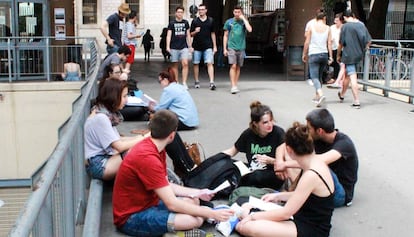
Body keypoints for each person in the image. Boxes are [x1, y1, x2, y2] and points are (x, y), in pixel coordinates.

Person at [112, 110, 234, 237]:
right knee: (194, 219)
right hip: (131, 217)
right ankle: (173, 232)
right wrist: (212, 214)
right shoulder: (148, 158)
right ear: (172, 135)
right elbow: (172, 203)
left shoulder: (155, 147)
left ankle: (173, 229)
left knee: (194, 201)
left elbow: (166, 184)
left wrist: (197, 192)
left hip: (148, 203)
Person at [236, 122, 334, 237]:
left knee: (246, 226)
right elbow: (304, 195)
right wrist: (277, 196)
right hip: (303, 216)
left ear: (289, 150)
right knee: (245, 206)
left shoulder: (311, 175)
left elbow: (285, 213)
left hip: (311, 228)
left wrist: (252, 217)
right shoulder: (315, 162)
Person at [276, 109, 358, 207]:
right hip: (319, 184)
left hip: (339, 194)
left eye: (309, 128)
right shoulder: (317, 137)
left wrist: (285, 164)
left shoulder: (344, 143)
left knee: (315, 163)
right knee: (293, 148)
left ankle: (296, 196)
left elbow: (316, 162)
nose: (307, 130)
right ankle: (295, 193)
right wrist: (279, 162)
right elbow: (284, 146)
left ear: (319, 131)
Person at [84, 78, 147, 180]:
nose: (127, 100)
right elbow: (120, 146)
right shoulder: (101, 118)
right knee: (138, 151)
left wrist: (142, 137)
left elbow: (118, 139)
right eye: (124, 96)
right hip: (99, 165)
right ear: (113, 96)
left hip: (103, 160)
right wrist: (144, 138)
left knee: (142, 147)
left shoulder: (103, 112)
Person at [222, 101, 284, 190]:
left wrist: (271, 161)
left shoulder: (278, 133)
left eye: (271, 120)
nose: (270, 125)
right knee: (228, 164)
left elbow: (287, 162)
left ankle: (234, 185)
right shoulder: (248, 134)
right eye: (265, 122)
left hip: (272, 173)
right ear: (255, 123)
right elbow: (232, 151)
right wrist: (216, 160)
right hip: (252, 170)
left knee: (256, 175)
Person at [337, 10, 372, 109]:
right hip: (359, 54)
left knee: (352, 77)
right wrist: (364, 49)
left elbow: (341, 43)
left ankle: (356, 101)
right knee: (347, 75)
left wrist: (338, 55)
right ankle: (342, 94)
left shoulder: (345, 27)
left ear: (344, 17)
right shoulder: (361, 25)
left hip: (349, 55)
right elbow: (369, 41)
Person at [302, 10, 333, 107]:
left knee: (314, 77)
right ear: (324, 18)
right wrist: (331, 56)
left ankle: (321, 94)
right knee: (319, 76)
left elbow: (307, 42)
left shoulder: (311, 27)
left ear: (316, 18)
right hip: (324, 54)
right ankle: (317, 97)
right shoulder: (328, 28)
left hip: (314, 54)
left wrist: (304, 54)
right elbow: (329, 43)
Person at [223, 5, 252, 94]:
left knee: (238, 66)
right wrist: (225, 48)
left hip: (241, 47)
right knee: (233, 65)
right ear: (233, 12)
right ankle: (233, 85)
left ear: (241, 12)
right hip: (231, 46)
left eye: (239, 12)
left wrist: (244, 19)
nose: (237, 14)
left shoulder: (243, 22)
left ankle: (235, 84)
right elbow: (225, 35)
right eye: (235, 12)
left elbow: (250, 30)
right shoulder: (229, 22)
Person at [190, 4, 217, 90]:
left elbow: (213, 33)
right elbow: (190, 34)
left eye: (202, 9)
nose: (201, 11)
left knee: (209, 63)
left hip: (208, 45)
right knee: (196, 63)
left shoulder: (210, 20)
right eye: (199, 10)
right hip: (197, 46)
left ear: (206, 10)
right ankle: (197, 81)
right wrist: (195, 31)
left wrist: (215, 46)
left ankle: (212, 82)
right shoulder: (195, 21)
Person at [167, 6, 191, 89]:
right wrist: (167, 46)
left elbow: (188, 34)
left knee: (185, 63)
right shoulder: (172, 23)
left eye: (181, 12)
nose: (180, 14)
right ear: (175, 13)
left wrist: (190, 46)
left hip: (184, 46)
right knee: (175, 65)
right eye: (178, 12)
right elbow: (168, 35)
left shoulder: (186, 23)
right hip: (174, 46)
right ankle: (176, 81)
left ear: (183, 13)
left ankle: (184, 82)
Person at [327, 13, 345, 89]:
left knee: (340, 64)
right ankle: (335, 78)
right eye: (335, 20)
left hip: (342, 48)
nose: (335, 22)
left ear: (341, 21)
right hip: (334, 47)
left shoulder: (344, 28)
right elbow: (329, 39)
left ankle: (337, 79)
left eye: (337, 20)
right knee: (333, 63)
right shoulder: (332, 28)